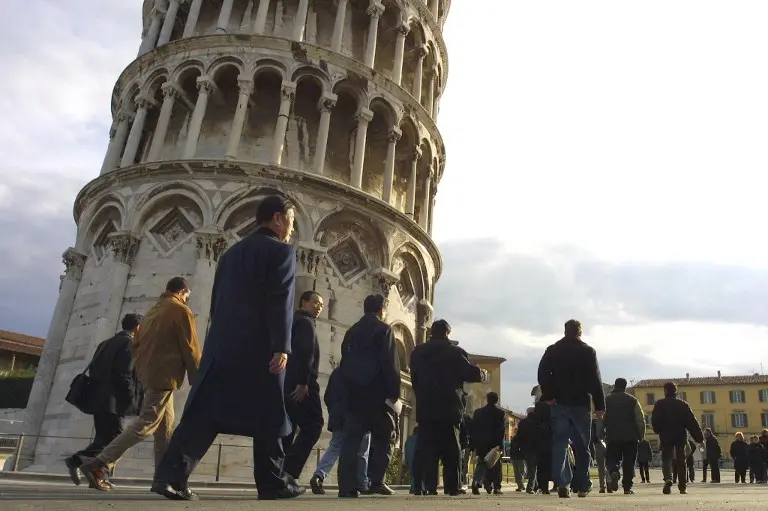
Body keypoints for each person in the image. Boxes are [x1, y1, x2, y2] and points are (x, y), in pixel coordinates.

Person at [151, 195, 303, 501]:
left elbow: (217, 300)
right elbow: (280, 301)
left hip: (223, 346)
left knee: (204, 415)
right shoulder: (281, 252)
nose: (291, 228)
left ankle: (170, 477)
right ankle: (272, 482)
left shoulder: (231, 254)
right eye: (291, 220)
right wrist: (281, 346)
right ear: (277, 218)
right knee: (271, 412)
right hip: (259, 347)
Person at [80, 278, 200, 491]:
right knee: (147, 422)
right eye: (186, 295)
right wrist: (198, 377)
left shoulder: (154, 310)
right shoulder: (180, 309)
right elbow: (190, 346)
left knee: (165, 428)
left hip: (149, 373)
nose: (186, 299)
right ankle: (98, 463)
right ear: (183, 291)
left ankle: (162, 479)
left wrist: (144, 368)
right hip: (165, 375)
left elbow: (136, 343)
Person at [65, 313, 143, 488]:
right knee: (117, 438)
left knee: (103, 438)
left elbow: (94, 369)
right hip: (114, 400)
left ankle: (97, 477)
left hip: (97, 397)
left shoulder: (104, 343)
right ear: (138, 328)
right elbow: (125, 374)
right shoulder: (128, 344)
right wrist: (131, 397)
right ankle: (80, 461)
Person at [410, 319, 486, 496]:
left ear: (431, 332)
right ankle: (452, 487)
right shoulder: (455, 352)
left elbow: (414, 377)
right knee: (451, 448)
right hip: (448, 406)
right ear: (447, 333)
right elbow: (470, 373)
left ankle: (420, 486)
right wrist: (482, 373)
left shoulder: (418, 352)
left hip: (426, 405)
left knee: (424, 448)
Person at [336, 294, 401, 498]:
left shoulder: (352, 331)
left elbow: (344, 360)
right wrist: (394, 392)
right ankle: (376, 481)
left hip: (355, 394)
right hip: (377, 394)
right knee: (384, 438)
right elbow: (390, 363)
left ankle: (346, 486)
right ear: (382, 309)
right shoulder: (384, 330)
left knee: (351, 441)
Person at [537, 319, 605, 498]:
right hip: (581, 404)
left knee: (560, 443)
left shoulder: (552, 350)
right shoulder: (588, 351)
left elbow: (542, 373)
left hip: (559, 403)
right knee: (582, 446)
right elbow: (595, 379)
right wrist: (599, 405)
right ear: (580, 332)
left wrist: (549, 395)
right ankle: (583, 485)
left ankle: (562, 483)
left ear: (565, 331)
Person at [282, 291, 325, 481]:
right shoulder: (306, 323)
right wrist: (303, 382)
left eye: (321, 305)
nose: (319, 307)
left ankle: (279, 472)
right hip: (303, 383)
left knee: (289, 425)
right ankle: (289, 471)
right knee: (314, 425)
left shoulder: (292, 321)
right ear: (303, 302)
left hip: (287, 380)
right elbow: (306, 353)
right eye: (315, 302)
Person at [309, 366, 371, 495]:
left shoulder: (337, 371)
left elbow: (327, 397)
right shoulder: (364, 367)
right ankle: (362, 483)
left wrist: (334, 410)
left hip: (337, 415)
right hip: (357, 415)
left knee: (335, 446)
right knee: (362, 450)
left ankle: (319, 475)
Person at [651, 381, 703, 495]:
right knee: (681, 461)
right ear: (675, 391)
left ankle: (668, 479)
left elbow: (654, 420)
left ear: (665, 391)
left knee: (667, 459)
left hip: (666, 436)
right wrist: (699, 437)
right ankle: (682, 486)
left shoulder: (659, 404)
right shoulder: (683, 404)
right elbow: (691, 422)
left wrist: (658, 429)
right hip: (680, 436)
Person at [604, 377, 645, 494]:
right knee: (629, 462)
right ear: (625, 387)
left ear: (614, 386)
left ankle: (613, 471)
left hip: (612, 436)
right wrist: (641, 435)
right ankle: (627, 487)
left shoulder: (606, 400)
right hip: (630, 437)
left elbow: (601, 419)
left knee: (612, 458)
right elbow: (640, 420)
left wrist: (600, 434)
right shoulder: (633, 400)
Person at [470, 392, 505, 495]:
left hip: (481, 444)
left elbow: (473, 429)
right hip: (494, 444)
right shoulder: (500, 413)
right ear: (497, 400)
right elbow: (501, 430)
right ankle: (496, 487)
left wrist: (473, 444)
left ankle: (476, 481)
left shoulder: (478, 412)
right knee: (496, 466)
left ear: (487, 399)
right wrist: (500, 446)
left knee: (481, 463)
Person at [516, 400, 553, 494]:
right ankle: (532, 487)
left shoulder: (522, 422)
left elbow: (519, 436)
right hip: (538, 447)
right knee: (537, 468)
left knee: (531, 467)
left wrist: (520, 447)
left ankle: (535, 486)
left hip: (526, 448)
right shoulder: (539, 421)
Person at [591, 417, 608, 493]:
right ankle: (609, 485)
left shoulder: (593, 422)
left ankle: (603, 486)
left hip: (598, 445)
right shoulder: (607, 421)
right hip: (607, 444)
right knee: (607, 466)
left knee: (601, 467)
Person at [508, 426, 527, 492]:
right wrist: (511, 456)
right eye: (514, 431)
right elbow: (511, 448)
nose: (515, 432)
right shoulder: (513, 439)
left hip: (521, 457)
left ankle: (521, 485)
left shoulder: (522, 439)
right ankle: (520, 486)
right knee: (516, 472)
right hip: (514, 457)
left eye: (516, 431)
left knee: (521, 472)